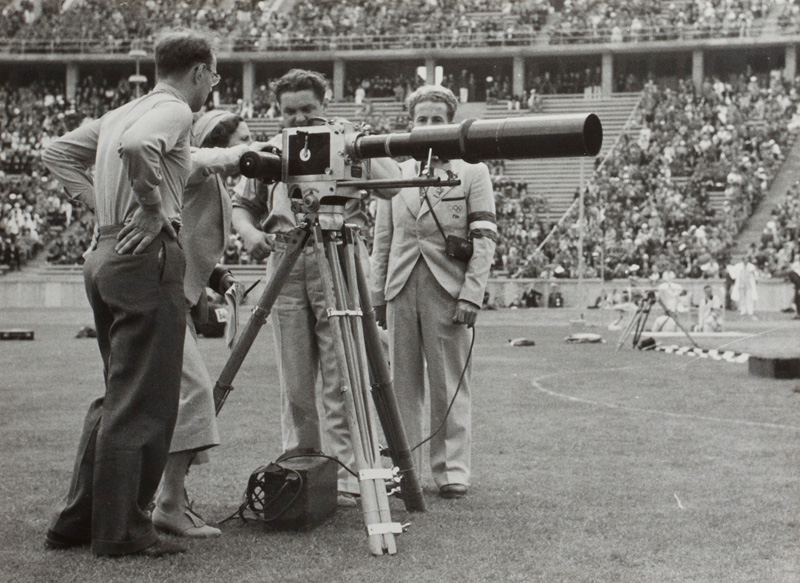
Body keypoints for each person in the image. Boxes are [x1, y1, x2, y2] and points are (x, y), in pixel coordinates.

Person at [41, 30, 217, 558]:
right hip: (144, 254)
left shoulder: (121, 110)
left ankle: (78, 520)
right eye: (212, 77)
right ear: (200, 71)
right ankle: (122, 530)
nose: (211, 86)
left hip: (105, 253)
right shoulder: (175, 111)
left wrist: (102, 206)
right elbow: (142, 148)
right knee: (144, 400)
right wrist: (147, 204)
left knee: (116, 393)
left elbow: (55, 151)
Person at [231, 69, 400, 508]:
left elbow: (393, 185)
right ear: (278, 112)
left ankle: (348, 475)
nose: (299, 118)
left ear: (325, 105)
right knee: (295, 378)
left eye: (308, 109)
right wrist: (249, 234)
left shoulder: (345, 141)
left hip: (339, 252)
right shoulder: (271, 150)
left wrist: (352, 140)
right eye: (290, 111)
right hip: (285, 256)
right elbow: (242, 207)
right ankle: (302, 473)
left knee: (344, 372)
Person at [370, 85, 497, 500]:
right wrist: (377, 297)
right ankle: (404, 471)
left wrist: (472, 295)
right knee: (400, 385)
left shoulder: (472, 171)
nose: (428, 127)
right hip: (401, 287)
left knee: (449, 384)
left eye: (436, 120)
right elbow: (382, 242)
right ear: (410, 124)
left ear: (452, 123)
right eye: (421, 119)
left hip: (449, 290)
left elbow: (484, 239)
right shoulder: (395, 174)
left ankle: (452, 471)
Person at [152, 111, 267, 538]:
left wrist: (219, 276)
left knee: (174, 396)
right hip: (159, 292)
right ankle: (167, 503)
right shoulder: (195, 169)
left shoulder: (213, 183)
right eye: (245, 138)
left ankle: (172, 496)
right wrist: (243, 154)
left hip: (175, 292)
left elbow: (191, 238)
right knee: (194, 392)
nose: (252, 144)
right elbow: (199, 159)